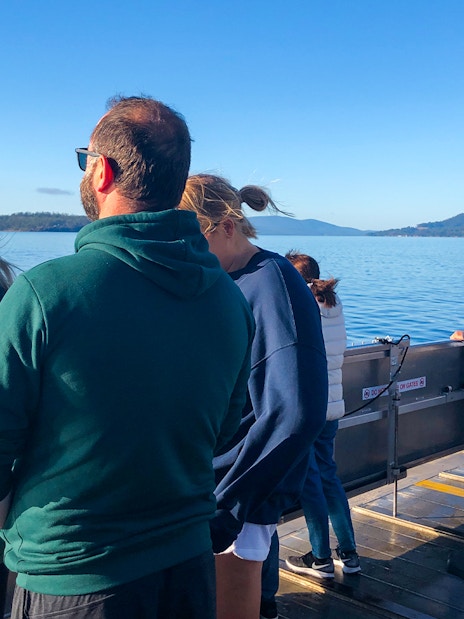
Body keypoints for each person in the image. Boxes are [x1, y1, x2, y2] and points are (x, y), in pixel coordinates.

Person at [0, 96, 255, 619]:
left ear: (101, 171)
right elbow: (227, 429)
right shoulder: (229, 300)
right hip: (187, 569)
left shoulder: (47, 294)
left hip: (74, 578)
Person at [178, 175, 328, 619]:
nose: (186, 253)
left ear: (227, 226)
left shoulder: (272, 285)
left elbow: (295, 413)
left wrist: (228, 510)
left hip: (231, 500)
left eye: (192, 240)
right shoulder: (227, 280)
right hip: (208, 490)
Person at [282, 251, 361, 579]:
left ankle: (320, 558)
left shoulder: (301, 305)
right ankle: (350, 553)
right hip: (332, 405)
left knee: (311, 481)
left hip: (308, 404)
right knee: (328, 476)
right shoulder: (332, 303)